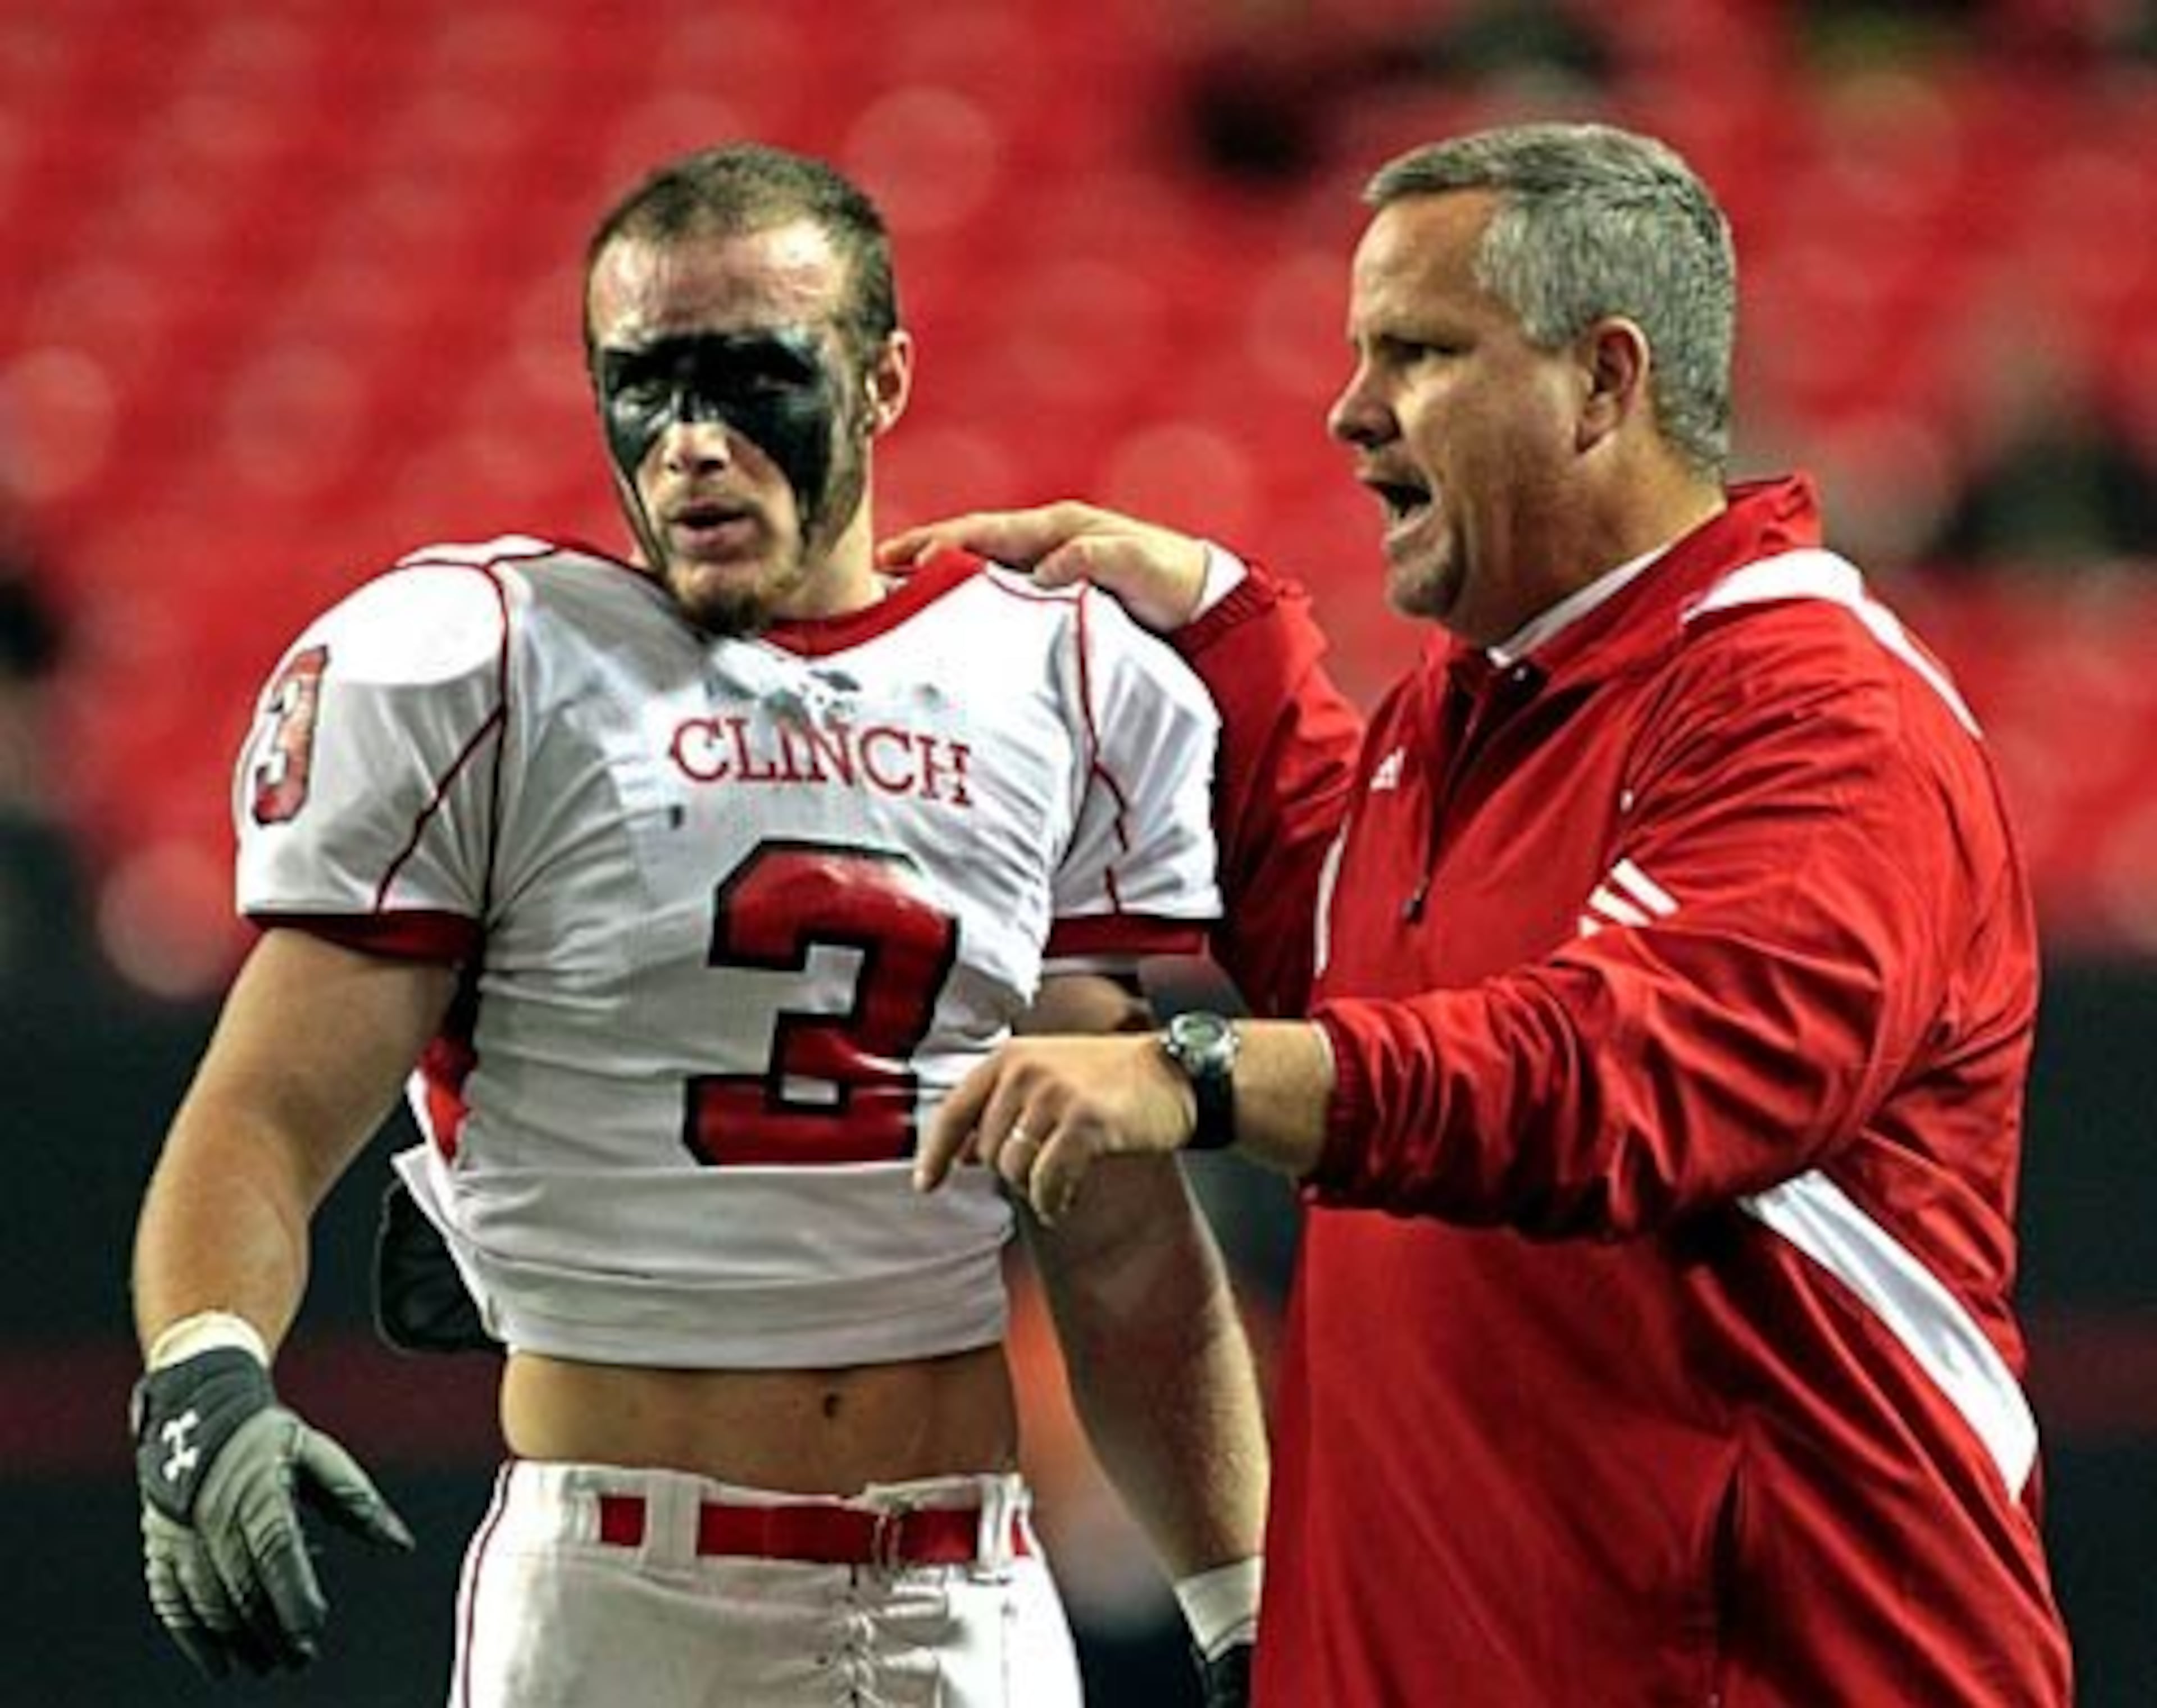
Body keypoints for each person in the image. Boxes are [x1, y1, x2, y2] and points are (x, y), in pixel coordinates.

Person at [890, 121, 2076, 1703]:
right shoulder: (1486, 702)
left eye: (1420, 351)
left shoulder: (1825, 718)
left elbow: (1616, 1074)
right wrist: (1221, 630)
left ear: (1604, 381)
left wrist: (1196, 1068)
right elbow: (1363, 955)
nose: (1349, 408)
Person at [128, 142, 1268, 1707]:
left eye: (753, 378)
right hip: (622, 1597)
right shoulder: (493, 663)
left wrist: (1245, 1603)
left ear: (881, 381)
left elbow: (1123, 1231)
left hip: (972, 1590)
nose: (693, 445)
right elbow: (261, 1110)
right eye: (645, 384)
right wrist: (203, 1365)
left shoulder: (1061, 679)